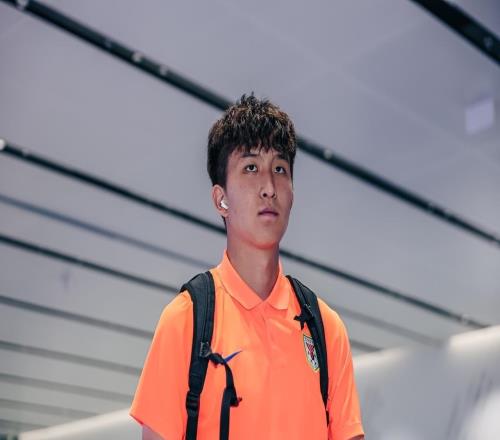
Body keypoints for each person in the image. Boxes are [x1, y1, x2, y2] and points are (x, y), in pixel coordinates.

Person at [130, 93, 365, 440]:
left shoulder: (326, 330)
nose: (269, 187)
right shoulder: (186, 321)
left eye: (280, 169)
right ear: (221, 199)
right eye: (251, 168)